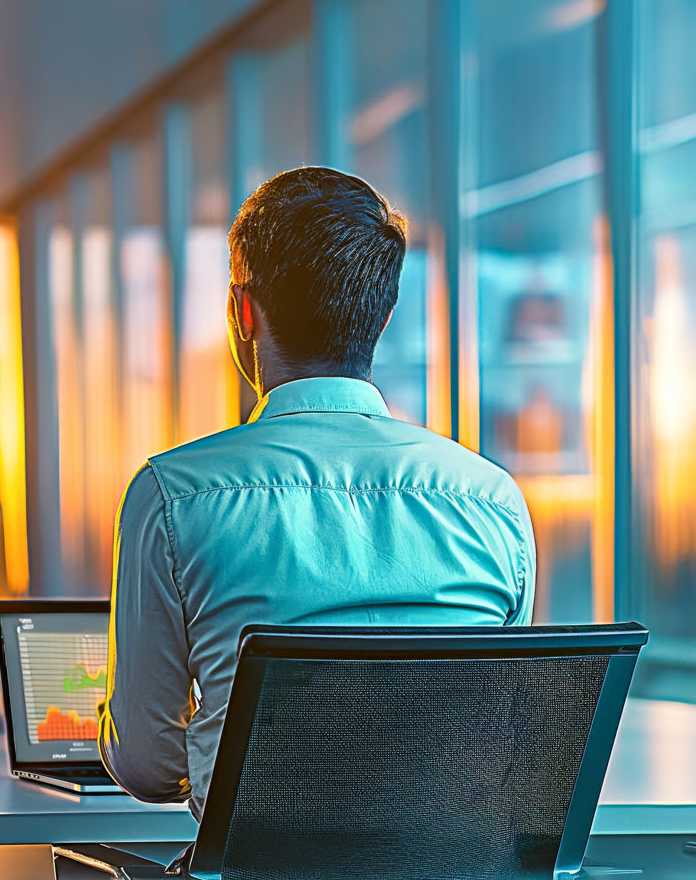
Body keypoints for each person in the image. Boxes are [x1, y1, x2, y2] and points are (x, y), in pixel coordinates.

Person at [97, 166, 536, 819]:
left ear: (242, 312)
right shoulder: (492, 502)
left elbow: (148, 768)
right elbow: (493, 744)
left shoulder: (173, 497)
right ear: (383, 315)